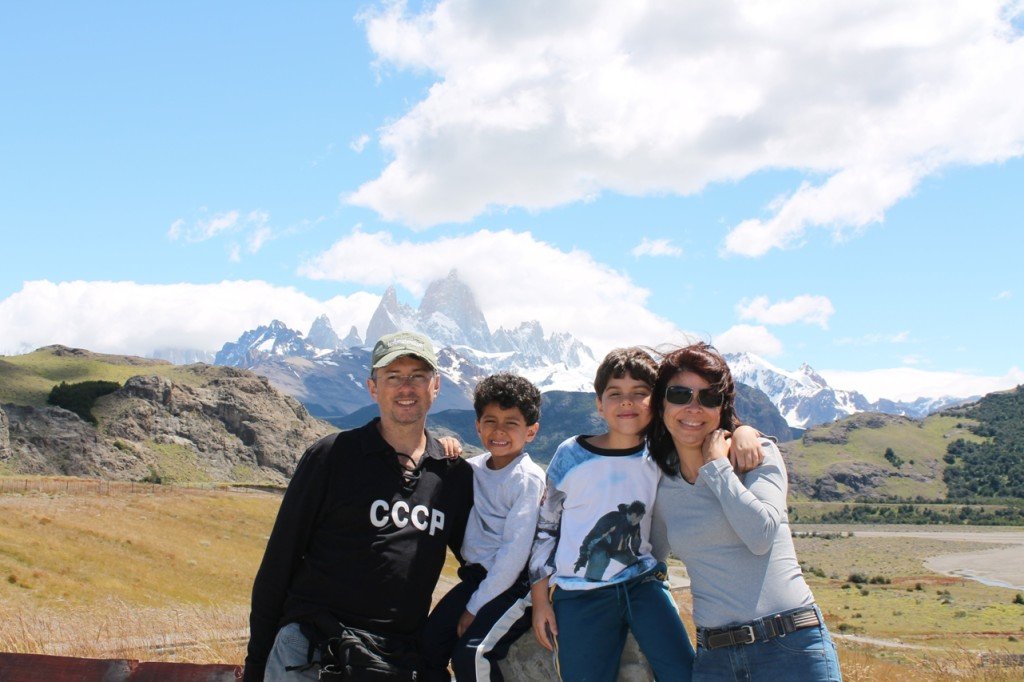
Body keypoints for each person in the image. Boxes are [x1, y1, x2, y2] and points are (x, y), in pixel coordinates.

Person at [243, 331, 474, 682]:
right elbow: (279, 562)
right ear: (372, 388)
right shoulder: (332, 456)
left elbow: (480, 561)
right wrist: (256, 665)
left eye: (417, 376)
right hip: (311, 654)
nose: (406, 387)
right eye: (393, 377)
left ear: (436, 385)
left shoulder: (452, 475)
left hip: (397, 661)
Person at [529, 347, 764, 682]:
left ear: (656, 401)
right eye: (615, 394)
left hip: (644, 586)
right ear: (598, 402)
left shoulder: (662, 452)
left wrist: (744, 432)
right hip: (581, 595)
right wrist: (540, 600)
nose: (627, 402)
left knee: (685, 672)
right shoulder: (571, 455)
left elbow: (711, 431)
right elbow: (546, 528)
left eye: (640, 394)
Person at [648, 343, 842, 681]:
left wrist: (718, 468)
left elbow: (760, 535)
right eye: (680, 394)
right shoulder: (662, 486)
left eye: (708, 398)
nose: (694, 408)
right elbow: (648, 560)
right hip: (716, 659)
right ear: (661, 403)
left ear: (721, 407)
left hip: (791, 648)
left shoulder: (755, 456)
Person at [421, 372, 546, 681]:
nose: (499, 431)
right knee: (428, 645)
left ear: (531, 432)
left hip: (515, 586)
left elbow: (515, 555)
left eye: (511, 423)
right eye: (490, 421)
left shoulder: (527, 479)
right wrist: (446, 445)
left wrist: (474, 607)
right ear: (477, 426)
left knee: (472, 654)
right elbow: (439, 462)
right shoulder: (473, 468)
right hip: (477, 578)